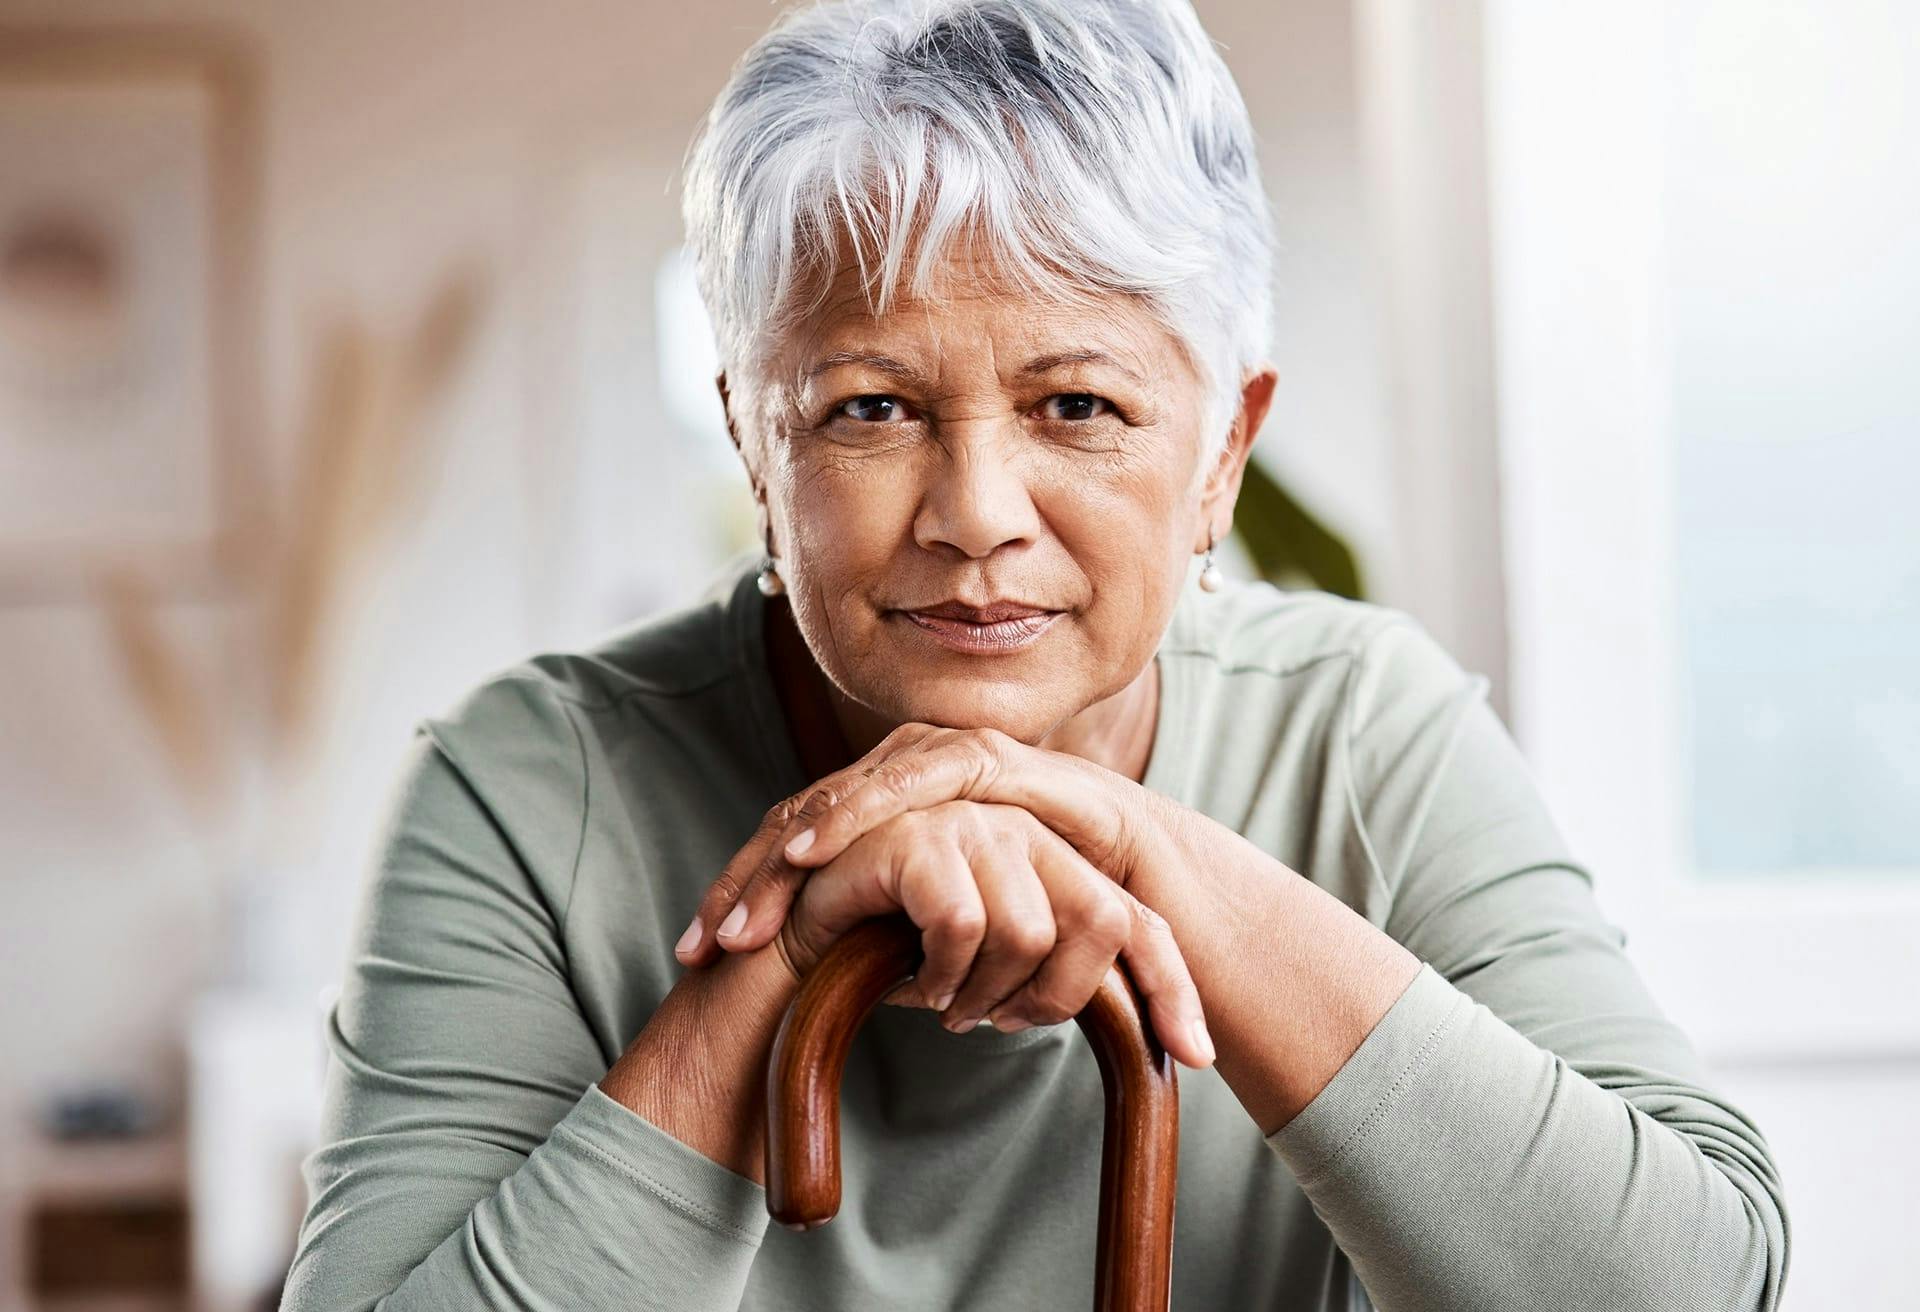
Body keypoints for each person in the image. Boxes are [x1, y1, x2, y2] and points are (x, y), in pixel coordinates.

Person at [280, 1, 1789, 1308]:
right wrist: (787, 949)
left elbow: (1687, 1285)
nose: (976, 516)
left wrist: (1126, 843)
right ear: (754, 438)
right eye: (869, 408)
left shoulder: (1358, 726)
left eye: (1080, 406)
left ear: (1224, 454)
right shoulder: (533, 783)